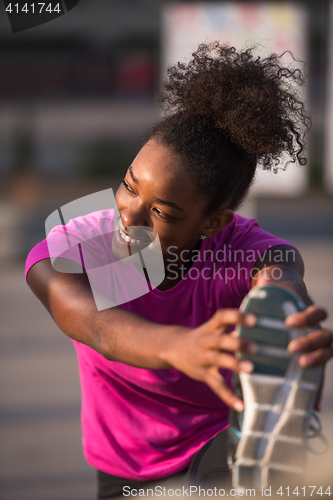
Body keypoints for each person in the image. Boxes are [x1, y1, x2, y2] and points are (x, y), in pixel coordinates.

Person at [26, 43, 333, 498]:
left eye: (163, 212)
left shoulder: (246, 253)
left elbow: (279, 276)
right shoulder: (78, 246)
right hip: (125, 466)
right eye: (129, 186)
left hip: (220, 442)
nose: (130, 216)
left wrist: (289, 319)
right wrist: (179, 346)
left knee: (235, 481)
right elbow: (95, 325)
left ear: (212, 223)